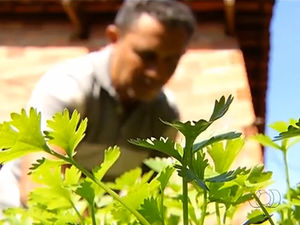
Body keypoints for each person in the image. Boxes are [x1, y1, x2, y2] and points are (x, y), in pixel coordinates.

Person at [0, 0, 196, 217]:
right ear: (114, 38)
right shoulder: (68, 87)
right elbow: (40, 189)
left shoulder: (165, 115)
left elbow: (149, 196)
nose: (157, 73)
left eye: (171, 60)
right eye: (147, 55)